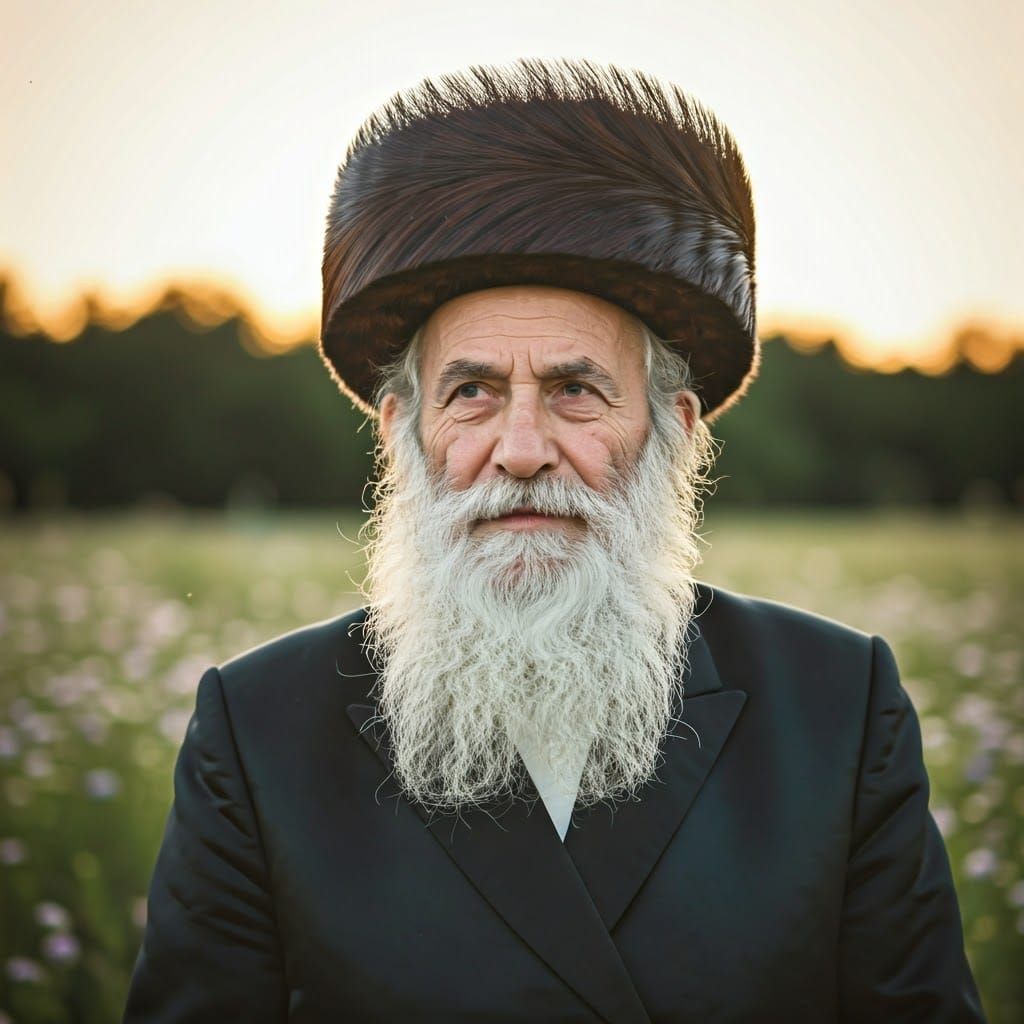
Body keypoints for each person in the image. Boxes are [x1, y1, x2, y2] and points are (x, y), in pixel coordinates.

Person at [124, 59, 985, 1022]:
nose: (522, 451)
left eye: (576, 391)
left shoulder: (837, 706)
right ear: (403, 435)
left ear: (677, 432)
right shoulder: (257, 731)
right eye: (473, 392)